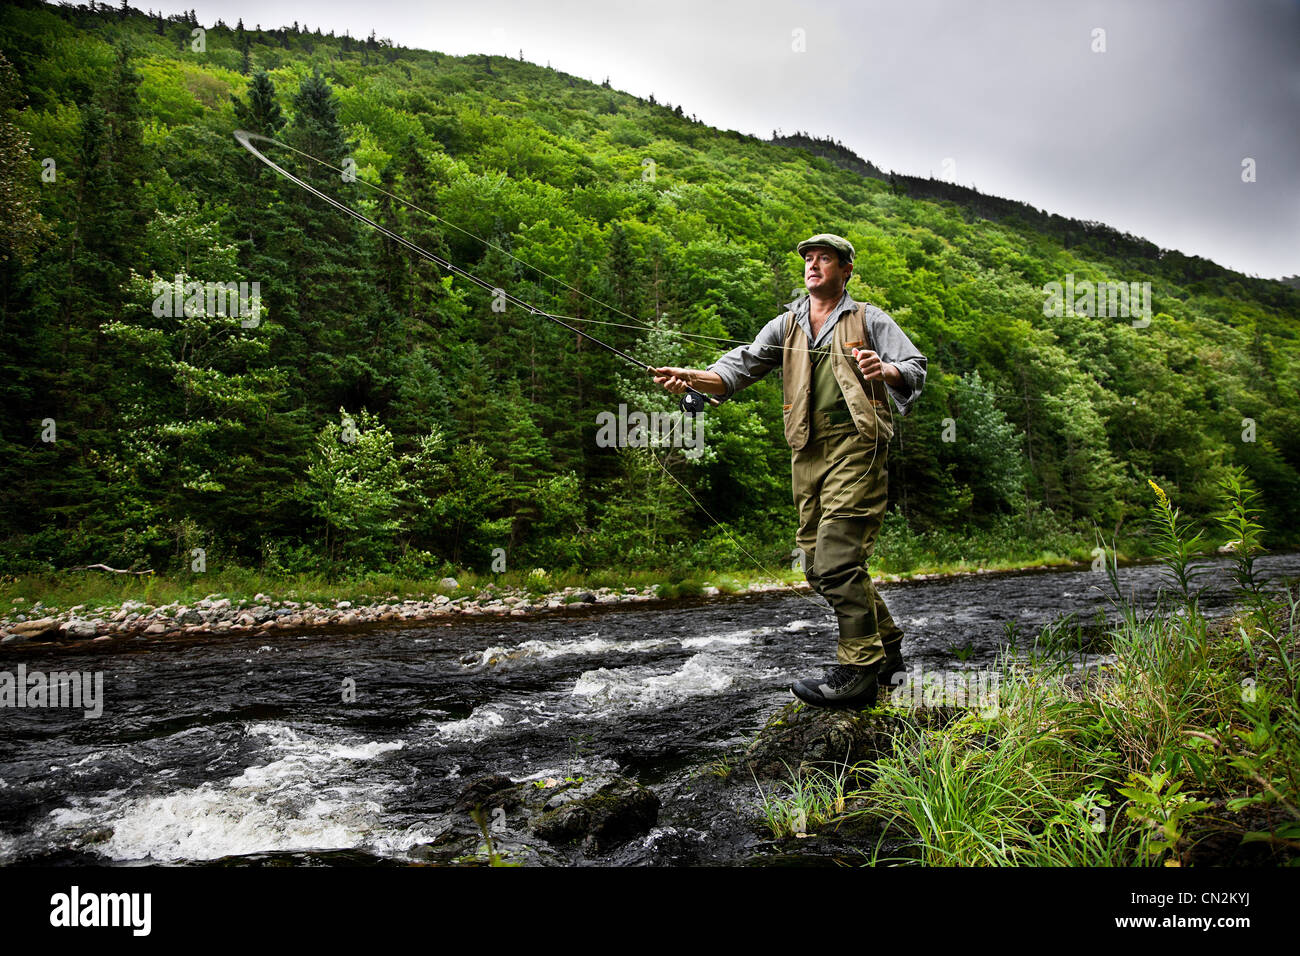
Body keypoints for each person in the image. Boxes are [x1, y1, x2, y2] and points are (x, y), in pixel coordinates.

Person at [652, 233, 927, 708]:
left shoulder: (869, 318)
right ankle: (888, 650)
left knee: (839, 557)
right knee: (817, 568)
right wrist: (692, 380)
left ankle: (858, 669)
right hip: (807, 450)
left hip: (858, 444)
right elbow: (737, 368)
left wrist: (886, 370)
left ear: (846, 271)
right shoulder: (787, 323)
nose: (814, 265)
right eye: (809, 259)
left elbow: (916, 368)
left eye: (825, 259)